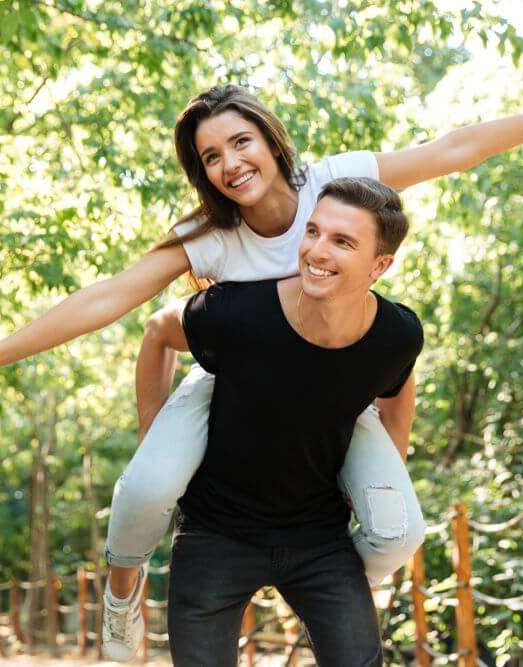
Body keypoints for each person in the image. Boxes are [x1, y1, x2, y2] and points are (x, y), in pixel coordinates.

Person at [0, 58, 523, 660]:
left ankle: (330, 589)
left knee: (400, 525)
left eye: (239, 142)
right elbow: (109, 299)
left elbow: (453, 148)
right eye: (210, 157)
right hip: (230, 385)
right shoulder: (207, 238)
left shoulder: (335, 184)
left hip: (331, 388)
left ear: (273, 142)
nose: (228, 164)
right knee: (148, 487)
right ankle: (125, 592)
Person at [149, 176, 420, 665]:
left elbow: (397, 392)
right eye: (313, 231)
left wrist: (384, 482)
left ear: (380, 265)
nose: (316, 250)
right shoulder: (237, 313)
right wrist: (154, 444)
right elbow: (157, 333)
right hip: (216, 532)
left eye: (342, 241)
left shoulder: (396, 334)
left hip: (320, 538)